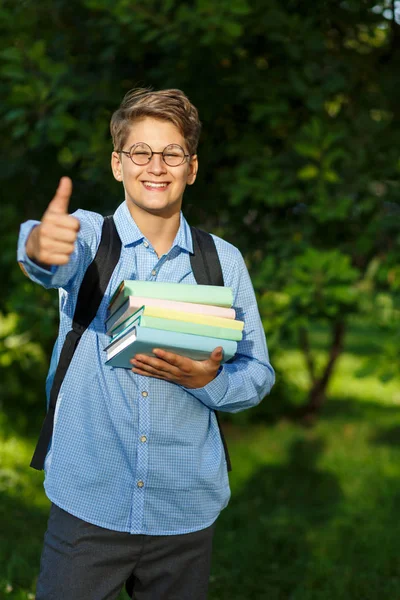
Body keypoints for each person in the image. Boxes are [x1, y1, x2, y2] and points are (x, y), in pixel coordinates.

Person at [17, 88, 275, 600]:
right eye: (140, 152)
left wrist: (212, 381)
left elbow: (257, 372)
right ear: (118, 164)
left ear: (191, 167)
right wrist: (38, 247)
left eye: (172, 153)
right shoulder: (91, 239)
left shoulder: (222, 262)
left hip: (184, 513)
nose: (155, 166)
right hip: (89, 505)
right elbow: (51, 255)